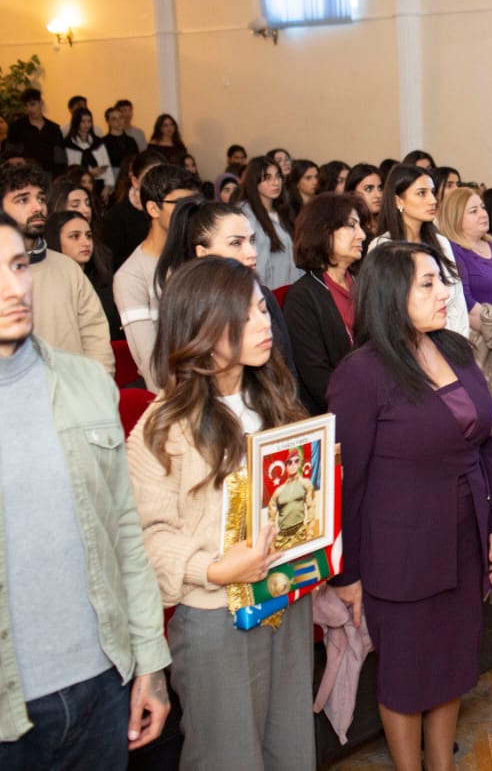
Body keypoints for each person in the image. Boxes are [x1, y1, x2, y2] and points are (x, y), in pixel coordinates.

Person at [327, 241, 492, 771]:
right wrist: (348, 574)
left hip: (465, 535)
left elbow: (484, 443)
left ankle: (442, 764)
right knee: (407, 676)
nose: (443, 293)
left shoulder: (453, 347)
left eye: (441, 280)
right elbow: (347, 484)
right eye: (427, 283)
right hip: (401, 551)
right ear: (390, 295)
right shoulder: (361, 374)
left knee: (453, 665)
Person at [127, 257, 314, 770]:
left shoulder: (276, 397)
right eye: (248, 314)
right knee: (227, 757)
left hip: (286, 600)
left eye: (263, 308)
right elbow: (149, 534)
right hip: (217, 616)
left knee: (292, 748)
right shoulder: (163, 425)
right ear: (205, 328)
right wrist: (214, 568)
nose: (265, 323)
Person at [0, 212, 171, 766]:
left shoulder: (84, 383)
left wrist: (149, 661)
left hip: (102, 683)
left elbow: (124, 531)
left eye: (19, 265)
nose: (13, 287)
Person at [153, 199, 297, 382]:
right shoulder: (189, 309)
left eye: (252, 240)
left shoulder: (262, 294)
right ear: (203, 254)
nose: (252, 252)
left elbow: (288, 369)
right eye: (236, 243)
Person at [0, 163, 113, 374]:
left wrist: (99, 388)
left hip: (73, 396)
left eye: (41, 199)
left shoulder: (67, 268)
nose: (38, 207)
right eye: (23, 199)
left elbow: (95, 335)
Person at [438, 187, 492, 433]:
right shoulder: (454, 251)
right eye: (473, 211)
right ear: (456, 218)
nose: (483, 214)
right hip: (480, 342)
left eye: (482, 208)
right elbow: (464, 300)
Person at [115, 165, 201, 391]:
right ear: (153, 208)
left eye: (193, 205)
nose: (190, 213)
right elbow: (152, 365)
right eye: (181, 205)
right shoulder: (130, 276)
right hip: (180, 396)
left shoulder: (198, 253)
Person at [283, 193, 366, 415]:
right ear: (323, 231)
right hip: (336, 412)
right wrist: (363, 405)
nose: (362, 235)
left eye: (360, 226)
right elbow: (316, 376)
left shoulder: (363, 284)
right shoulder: (302, 296)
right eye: (351, 226)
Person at [370, 164, 469, 337]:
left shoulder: (441, 243)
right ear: (399, 201)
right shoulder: (383, 247)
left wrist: (458, 349)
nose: (432, 200)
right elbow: (383, 311)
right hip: (404, 347)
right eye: (422, 193)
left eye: (432, 191)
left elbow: (458, 304)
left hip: (449, 343)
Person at [47, 210, 122, 340]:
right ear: (55, 240)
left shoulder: (104, 281)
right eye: (75, 236)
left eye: (88, 236)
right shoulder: (48, 288)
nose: (86, 243)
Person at [240, 155, 302, 291]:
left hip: (289, 290)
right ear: (254, 182)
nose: (275, 183)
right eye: (267, 178)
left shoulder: (283, 212)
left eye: (278, 176)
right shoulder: (245, 214)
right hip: (263, 292)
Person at [101, 151, 167, 269]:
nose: (158, 183)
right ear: (135, 181)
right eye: (150, 177)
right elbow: (112, 260)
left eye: (162, 176)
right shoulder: (117, 216)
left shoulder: (171, 208)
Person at [5, 88, 64, 175]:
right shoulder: (17, 126)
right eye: (26, 106)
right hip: (25, 174)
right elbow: (12, 155)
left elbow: (60, 158)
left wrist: (58, 178)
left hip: (49, 175)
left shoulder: (54, 128)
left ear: (41, 103)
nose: (29, 109)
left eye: (32, 104)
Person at [63, 108, 112, 191]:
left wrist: (107, 187)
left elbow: (107, 165)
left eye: (89, 121)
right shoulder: (69, 144)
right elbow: (71, 168)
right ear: (76, 122)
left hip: (98, 183)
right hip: (78, 184)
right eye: (83, 121)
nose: (87, 125)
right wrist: (89, 172)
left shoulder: (98, 142)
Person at [344, 163, 383, 234]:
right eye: (368, 189)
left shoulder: (389, 224)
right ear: (353, 193)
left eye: (380, 188)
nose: (378, 195)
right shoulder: (348, 228)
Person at [103, 106, 139, 174]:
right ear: (108, 122)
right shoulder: (103, 142)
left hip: (130, 174)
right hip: (111, 175)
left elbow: (137, 160)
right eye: (114, 119)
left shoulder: (131, 141)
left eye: (121, 117)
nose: (119, 121)